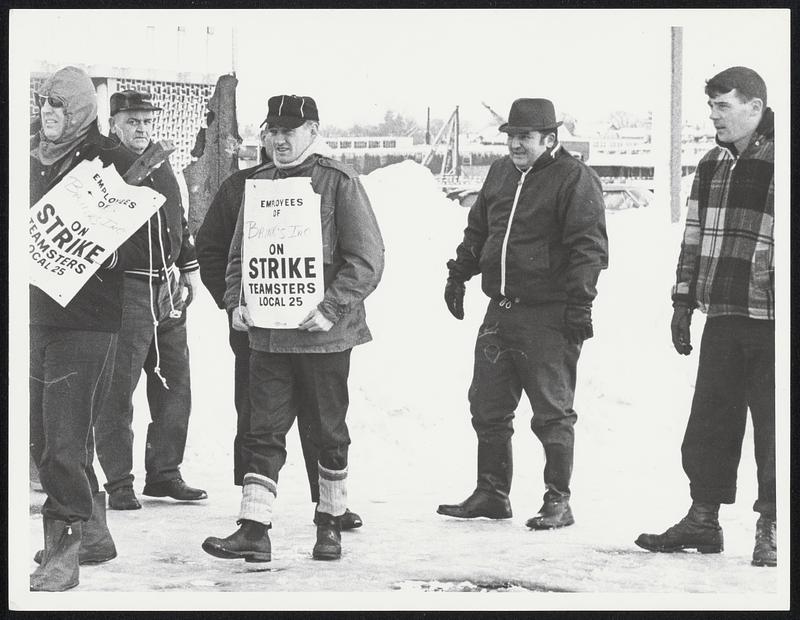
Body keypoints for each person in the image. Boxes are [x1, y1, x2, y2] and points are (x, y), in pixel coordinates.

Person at [202, 94, 383, 562]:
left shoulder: (340, 183)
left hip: (324, 337)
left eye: (290, 131)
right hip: (267, 336)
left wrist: (331, 308)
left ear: (312, 133)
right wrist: (234, 303)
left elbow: (366, 260)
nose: (279, 140)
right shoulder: (256, 184)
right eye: (272, 131)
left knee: (327, 431)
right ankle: (254, 529)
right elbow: (239, 256)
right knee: (261, 431)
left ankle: (329, 525)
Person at [437, 98, 608, 530]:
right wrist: (459, 273)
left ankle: (558, 499)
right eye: (511, 136)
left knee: (552, 412)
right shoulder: (500, 173)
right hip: (501, 311)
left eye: (525, 137)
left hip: (549, 315)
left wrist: (580, 304)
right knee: (487, 406)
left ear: (550, 139)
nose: (515, 144)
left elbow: (588, 247)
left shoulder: (574, 178)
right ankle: (492, 492)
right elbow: (480, 228)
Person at [636, 67, 776, 567]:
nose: (713, 115)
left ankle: (774, 525)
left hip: (775, 321)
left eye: (723, 105)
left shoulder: (782, 159)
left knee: (774, 426)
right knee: (711, 421)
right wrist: (681, 301)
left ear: (755, 108)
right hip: (722, 314)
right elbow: (693, 237)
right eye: (711, 106)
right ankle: (703, 518)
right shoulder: (712, 165)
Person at [29, 66, 150, 590]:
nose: (48, 115)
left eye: (58, 106)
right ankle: (95, 531)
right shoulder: (27, 161)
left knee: (63, 438)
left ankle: (64, 548)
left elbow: (155, 227)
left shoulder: (115, 162)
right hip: (33, 315)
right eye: (43, 105)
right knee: (41, 437)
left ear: (79, 109)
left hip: (87, 320)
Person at [92, 90, 207, 510]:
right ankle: (119, 481)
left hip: (167, 288)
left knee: (175, 383)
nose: (141, 129)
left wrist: (188, 268)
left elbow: (178, 219)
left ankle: (164, 473)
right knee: (117, 388)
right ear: (114, 123)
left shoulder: (161, 163)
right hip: (127, 291)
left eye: (146, 121)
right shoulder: (101, 165)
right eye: (132, 121)